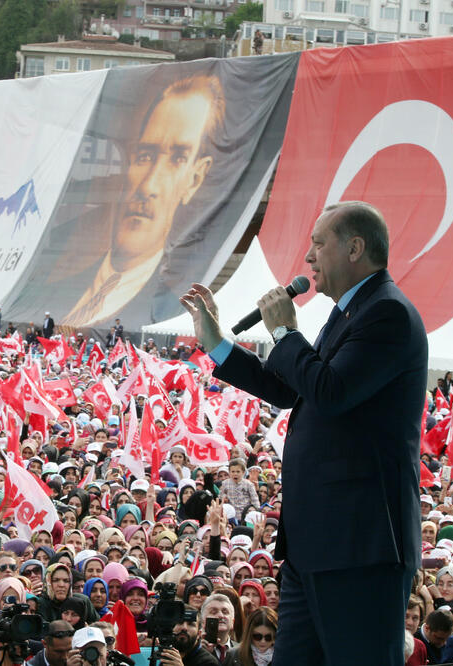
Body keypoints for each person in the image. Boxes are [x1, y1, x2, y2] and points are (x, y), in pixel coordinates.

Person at [181, 201, 427, 665]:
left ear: (354, 248)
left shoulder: (388, 314)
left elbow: (330, 391)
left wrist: (285, 333)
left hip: (359, 548)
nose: (309, 256)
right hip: (315, 546)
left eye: (319, 243)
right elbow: (292, 388)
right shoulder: (349, 314)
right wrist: (216, 343)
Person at [63, 74, 225, 328]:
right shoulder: (62, 287)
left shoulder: (173, 310)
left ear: (195, 178)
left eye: (177, 159)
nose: (148, 185)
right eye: (145, 156)